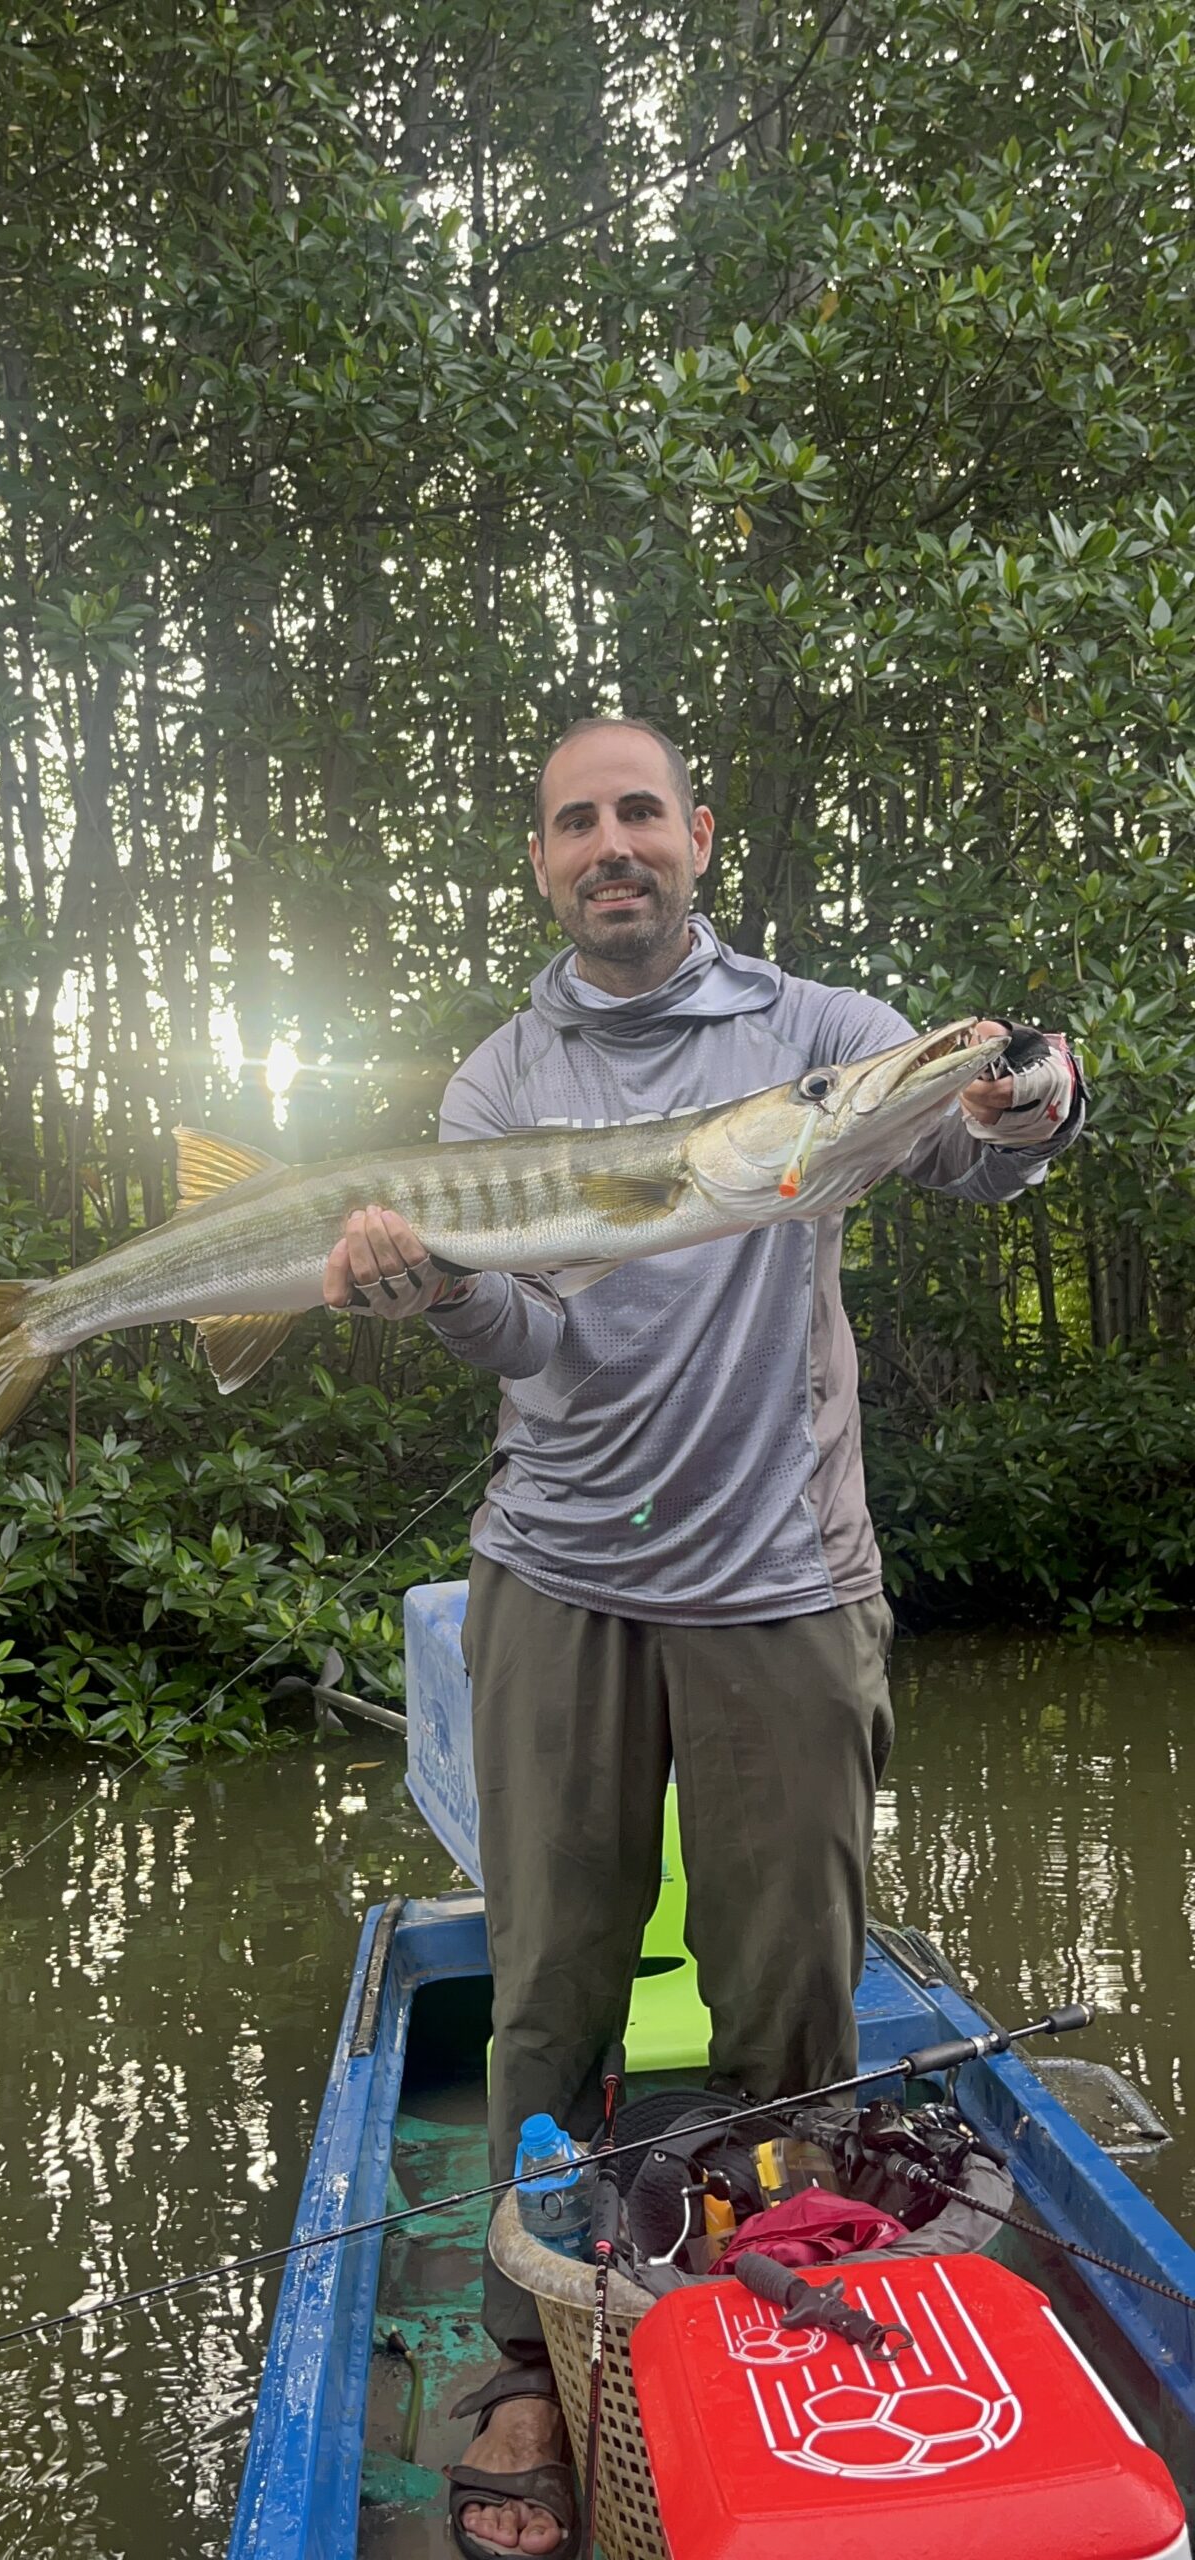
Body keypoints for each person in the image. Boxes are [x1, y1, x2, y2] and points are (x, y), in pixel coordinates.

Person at [322, 717, 1084, 2559]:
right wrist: (436, 1306)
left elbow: (974, 1152)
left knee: (789, 1992)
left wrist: (1034, 1104)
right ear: (542, 860)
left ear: (697, 836)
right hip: (559, 1578)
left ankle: (774, 2295)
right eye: (576, 822)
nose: (612, 846)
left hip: (782, 1584)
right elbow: (538, 1347)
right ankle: (527, 2347)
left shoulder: (818, 1036)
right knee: (552, 1979)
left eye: (639, 813)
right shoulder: (501, 1080)